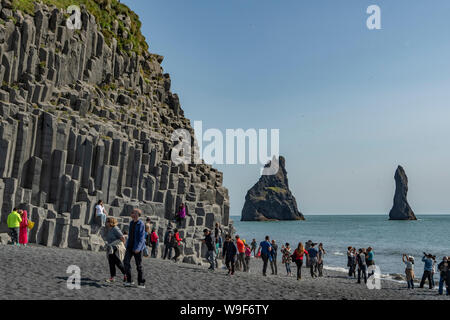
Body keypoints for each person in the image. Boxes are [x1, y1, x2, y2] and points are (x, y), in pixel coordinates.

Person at [123, 208, 146, 288]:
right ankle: (130, 280)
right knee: (126, 262)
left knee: (139, 266)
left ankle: (141, 282)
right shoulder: (131, 223)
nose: (133, 214)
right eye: (132, 212)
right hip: (130, 247)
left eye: (134, 213)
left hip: (137, 248)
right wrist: (126, 245)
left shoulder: (141, 224)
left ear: (138, 215)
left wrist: (138, 248)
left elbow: (142, 238)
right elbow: (130, 235)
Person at [105, 217, 126, 283]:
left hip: (116, 248)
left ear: (111, 222)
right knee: (111, 263)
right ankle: (112, 277)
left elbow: (122, 238)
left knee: (118, 263)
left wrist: (120, 245)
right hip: (111, 248)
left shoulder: (115, 229)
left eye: (107, 221)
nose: (106, 223)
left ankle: (126, 275)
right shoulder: (109, 229)